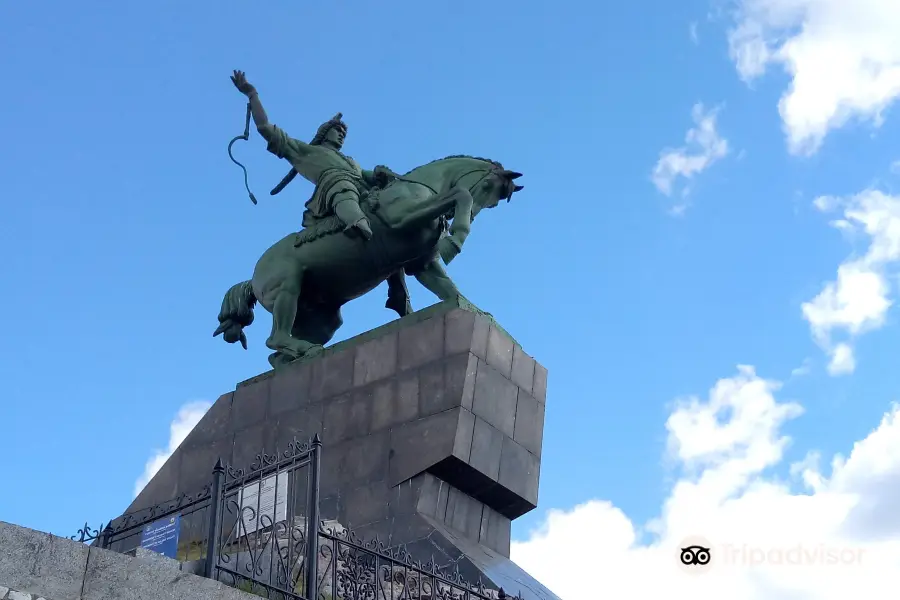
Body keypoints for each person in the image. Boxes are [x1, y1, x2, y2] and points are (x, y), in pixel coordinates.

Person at [230, 70, 397, 241]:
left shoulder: (350, 161)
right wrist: (252, 94)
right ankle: (355, 222)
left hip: (362, 188)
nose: (341, 135)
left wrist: (379, 175)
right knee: (342, 186)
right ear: (324, 133)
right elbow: (265, 127)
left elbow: (364, 176)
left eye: (344, 134)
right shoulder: (308, 152)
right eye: (337, 130)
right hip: (334, 187)